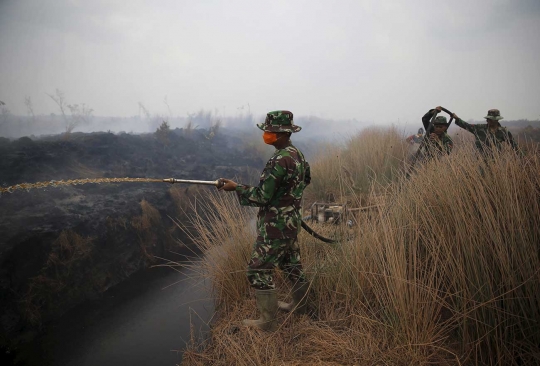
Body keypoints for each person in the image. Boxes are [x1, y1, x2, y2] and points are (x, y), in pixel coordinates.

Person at [218, 110, 312, 332]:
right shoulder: (297, 154)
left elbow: (263, 196)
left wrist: (236, 187)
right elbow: (305, 181)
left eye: (269, 131)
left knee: (258, 270)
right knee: (291, 265)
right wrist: (288, 200)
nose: (266, 134)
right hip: (291, 220)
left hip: (276, 226)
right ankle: (302, 306)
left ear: (279, 134)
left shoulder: (279, 160)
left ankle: (267, 323)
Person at [453, 108, 520, 154]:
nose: (488, 120)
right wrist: (457, 119)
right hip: (480, 161)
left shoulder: (504, 132)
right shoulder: (479, 129)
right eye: (488, 119)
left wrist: (523, 158)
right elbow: (467, 126)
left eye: (490, 119)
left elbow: (514, 146)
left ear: (497, 120)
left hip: (496, 162)